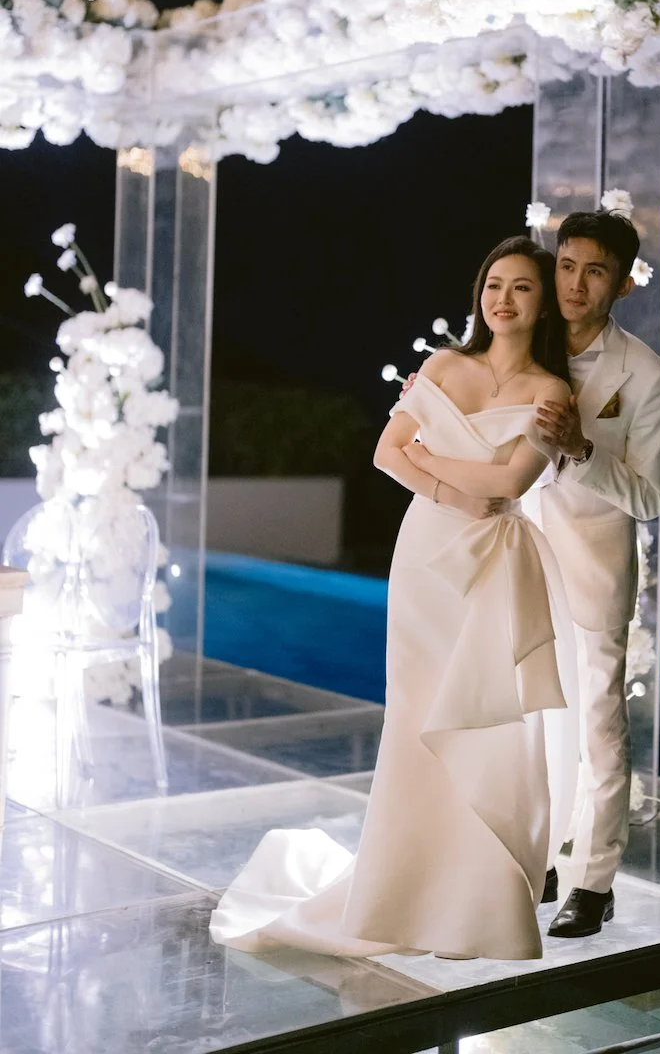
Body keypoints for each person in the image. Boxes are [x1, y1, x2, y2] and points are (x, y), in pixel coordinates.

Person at [209, 236, 579, 961]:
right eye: (493, 284)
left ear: (543, 305)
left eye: (522, 288)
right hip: (425, 561)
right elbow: (386, 452)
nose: (503, 299)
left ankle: (479, 898)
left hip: (495, 562)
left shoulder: (553, 392)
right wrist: (450, 487)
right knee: (416, 718)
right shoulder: (443, 365)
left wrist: (437, 466)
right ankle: (401, 890)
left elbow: (509, 486)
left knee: (491, 724)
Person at [530, 209, 660, 938]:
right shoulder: (523, 344)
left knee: (598, 724)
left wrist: (585, 449)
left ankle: (596, 880)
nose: (575, 284)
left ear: (621, 284)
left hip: (592, 568)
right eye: (566, 265)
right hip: (519, 559)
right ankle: (547, 852)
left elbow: (650, 497)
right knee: (534, 715)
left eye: (594, 272)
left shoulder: (647, 375)